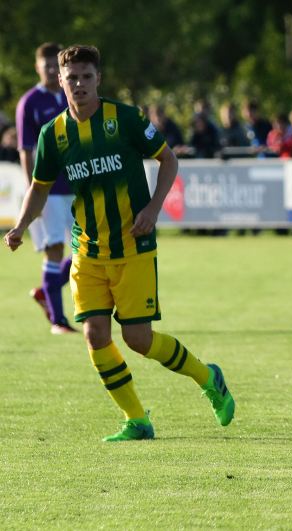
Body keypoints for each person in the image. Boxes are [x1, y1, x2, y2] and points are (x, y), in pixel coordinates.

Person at [3, 45, 235, 441]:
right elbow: (39, 188)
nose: (79, 84)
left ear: (99, 80)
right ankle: (137, 420)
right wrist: (21, 225)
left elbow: (169, 160)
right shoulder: (53, 134)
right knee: (95, 334)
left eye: (86, 77)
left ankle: (207, 375)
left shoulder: (125, 119)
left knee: (138, 340)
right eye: (71, 77)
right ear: (60, 81)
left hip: (133, 247)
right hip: (88, 250)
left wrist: (153, 209)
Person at [15, 42, 76, 334]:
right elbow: (26, 149)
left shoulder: (73, 97)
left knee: (87, 248)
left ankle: (44, 293)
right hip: (49, 188)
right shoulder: (30, 102)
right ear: (37, 67)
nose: (53, 70)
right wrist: (33, 189)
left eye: (57, 65)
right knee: (54, 247)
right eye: (47, 65)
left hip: (77, 182)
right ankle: (58, 321)